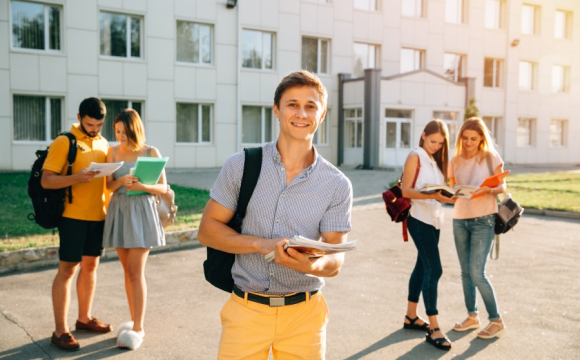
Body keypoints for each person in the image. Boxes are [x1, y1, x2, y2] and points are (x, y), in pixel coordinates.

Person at [198, 70, 353, 359]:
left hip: (305, 317)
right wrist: (261, 245)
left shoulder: (337, 184)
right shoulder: (241, 165)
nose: (301, 113)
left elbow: (334, 261)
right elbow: (207, 229)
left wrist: (309, 264)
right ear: (277, 110)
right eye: (292, 104)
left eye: (310, 106)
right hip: (246, 311)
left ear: (322, 115)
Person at [41, 97, 112, 351]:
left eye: (99, 125)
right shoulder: (64, 142)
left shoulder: (104, 142)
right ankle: (60, 331)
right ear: (79, 116)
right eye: (91, 124)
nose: (95, 129)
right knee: (68, 270)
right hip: (72, 217)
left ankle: (84, 318)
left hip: (98, 216)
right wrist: (77, 178)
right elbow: (47, 181)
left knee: (91, 267)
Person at [102, 109, 167, 350]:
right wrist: (121, 181)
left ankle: (138, 327)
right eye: (116, 131)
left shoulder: (151, 152)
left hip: (142, 213)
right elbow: (108, 186)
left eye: (124, 132)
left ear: (134, 130)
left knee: (135, 271)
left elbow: (164, 188)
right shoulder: (112, 152)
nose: (120, 136)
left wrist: (141, 185)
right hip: (119, 212)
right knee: (127, 272)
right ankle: (133, 321)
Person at [449, 117, 506, 339]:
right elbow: (452, 186)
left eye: (473, 138)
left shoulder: (490, 157)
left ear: (482, 137)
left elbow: (502, 186)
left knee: (477, 272)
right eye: (465, 138)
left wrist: (484, 191)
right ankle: (472, 316)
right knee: (465, 272)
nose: (469, 142)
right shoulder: (455, 160)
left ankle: (496, 319)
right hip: (460, 218)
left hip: (484, 219)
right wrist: (451, 193)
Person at [400, 120, 455, 351]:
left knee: (423, 266)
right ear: (423, 136)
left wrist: (449, 196)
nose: (436, 146)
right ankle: (434, 327)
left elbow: (439, 191)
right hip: (418, 219)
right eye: (433, 141)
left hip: (434, 220)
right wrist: (437, 196)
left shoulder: (434, 160)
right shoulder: (416, 156)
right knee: (435, 269)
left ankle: (411, 316)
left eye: (441, 144)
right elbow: (406, 191)